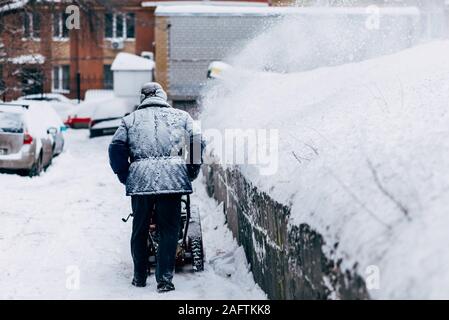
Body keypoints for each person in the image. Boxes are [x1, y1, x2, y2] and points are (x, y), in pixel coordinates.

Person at [108, 82, 203, 292]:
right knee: (169, 230)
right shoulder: (182, 117)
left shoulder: (129, 120)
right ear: (163, 96)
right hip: (172, 180)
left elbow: (116, 148)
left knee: (139, 230)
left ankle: (139, 277)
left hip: (140, 182)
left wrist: (126, 175)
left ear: (142, 98)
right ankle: (165, 281)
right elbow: (195, 142)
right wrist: (190, 171)